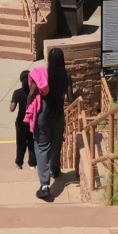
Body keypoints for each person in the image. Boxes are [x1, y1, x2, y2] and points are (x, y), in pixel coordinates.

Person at [26, 48, 76, 202]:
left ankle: (45, 186)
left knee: (42, 147)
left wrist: (28, 108)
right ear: (62, 60)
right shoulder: (66, 77)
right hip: (58, 114)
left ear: (48, 59)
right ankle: (55, 169)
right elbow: (70, 98)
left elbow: (32, 92)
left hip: (43, 114)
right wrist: (80, 91)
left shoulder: (42, 74)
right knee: (55, 143)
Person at [10, 70, 36, 170]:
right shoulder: (34, 93)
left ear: (20, 80)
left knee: (20, 144)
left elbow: (12, 109)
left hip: (21, 123)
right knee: (32, 143)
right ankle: (33, 164)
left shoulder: (17, 93)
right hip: (32, 122)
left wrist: (14, 101)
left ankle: (19, 164)